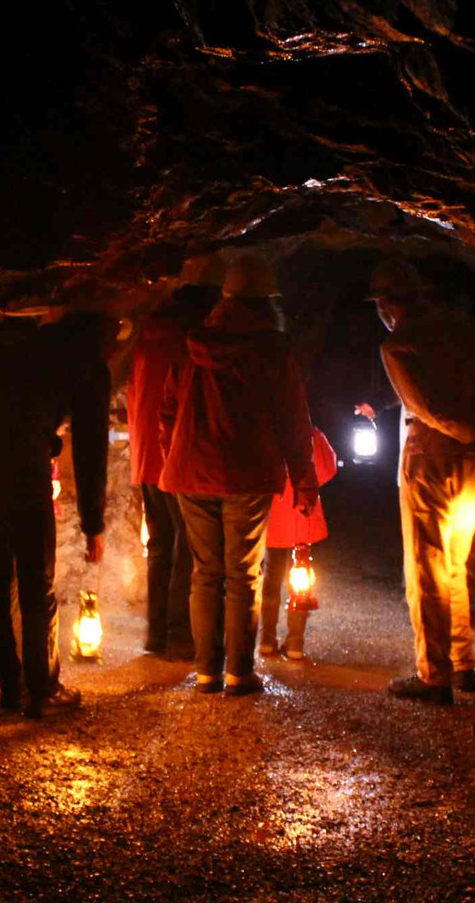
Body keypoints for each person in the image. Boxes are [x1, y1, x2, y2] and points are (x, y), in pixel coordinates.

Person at [160, 254, 318, 697]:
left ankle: (207, 672)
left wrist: (172, 456)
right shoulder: (273, 349)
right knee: (242, 575)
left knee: (205, 573)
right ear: (267, 301)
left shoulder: (191, 344)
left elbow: (167, 412)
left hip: (191, 472)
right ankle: (238, 674)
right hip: (246, 473)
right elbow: (292, 419)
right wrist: (304, 480)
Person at [371, 265, 475, 705]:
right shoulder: (469, 329)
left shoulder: (397, 344)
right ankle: (462, 663)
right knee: (456, 561)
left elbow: (423, 405)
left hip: (432, 453)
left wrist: (460, 430)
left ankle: (433, 675)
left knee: (425, 567)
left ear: (388, 306)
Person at [0, 311, 112, 719]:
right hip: (22, 465)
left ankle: (13, 689)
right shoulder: (84, 363)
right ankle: (43, 691)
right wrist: (93, 523)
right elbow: (92, 447)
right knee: (35, 577)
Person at [128, 262, 222, 659]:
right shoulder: (190, 343)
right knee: (189, 550)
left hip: (145, 458)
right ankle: (181, 636)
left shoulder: (146, 340)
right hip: (176, 459)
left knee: (161, 547)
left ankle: (156, 635)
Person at [260, 424, 338, 661]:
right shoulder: (310, 434)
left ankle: (266, 639)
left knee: (270, 578)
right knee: (301, 578)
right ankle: (295, 642)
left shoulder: (267, 432)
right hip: (304, 512)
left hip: (274, 512)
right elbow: (329, 467)